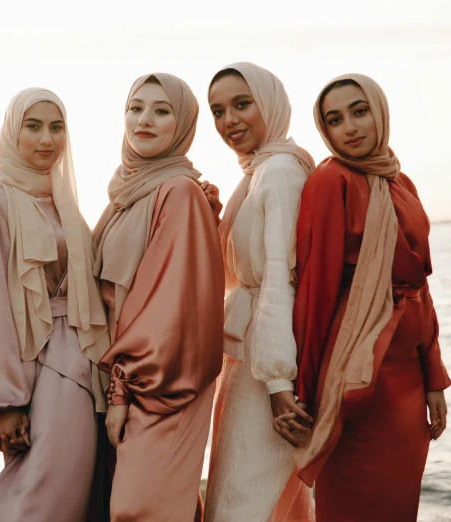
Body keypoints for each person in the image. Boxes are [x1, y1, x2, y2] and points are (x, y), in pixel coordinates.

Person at [287, 73, 451, 521]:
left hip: (407, 379)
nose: (350, 127)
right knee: (353, 504)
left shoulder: (402, 182)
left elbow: (419, 288)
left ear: (379, 112)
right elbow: (315, 291)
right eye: (335, 119)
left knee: (398, 506)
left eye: (359, 112)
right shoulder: (331, 180)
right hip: (357, 370)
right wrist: (304, 390)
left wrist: (433, 377)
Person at [0, 88, 110, 522]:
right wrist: (5, 402)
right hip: (41, 366)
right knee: (40, 492)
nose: (47, 139)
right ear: (13, 132)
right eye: (33, 126)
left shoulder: (66, 206)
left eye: (57, 127)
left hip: (87, 362)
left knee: (75, 491)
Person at [93, 73, 224, 521]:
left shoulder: (179, 191)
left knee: (139, 508)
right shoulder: (127, 195)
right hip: (129, 379)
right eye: (136, 107)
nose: (144, 120)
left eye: (161, 110)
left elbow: (168, 309)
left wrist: (122, 392)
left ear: (182, 125)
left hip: (160, 382)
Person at [203, 62, 316, 522]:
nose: (229, 120)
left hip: (266, 369)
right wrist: (213, 220)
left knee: (243, 503)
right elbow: (236, 277)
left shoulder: (281, 174)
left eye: (242, 104)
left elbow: (278, 280)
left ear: (270, 103)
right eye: (218, 110)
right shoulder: (256, 174)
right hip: (246, 359)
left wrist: (278, 383)